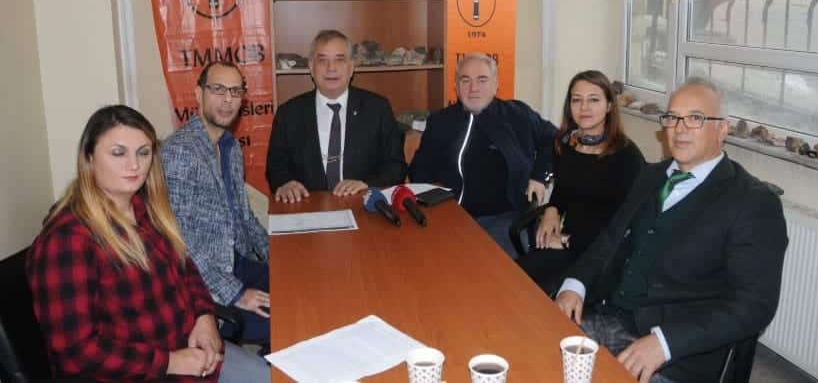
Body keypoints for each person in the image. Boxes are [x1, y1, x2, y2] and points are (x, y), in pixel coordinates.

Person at [555, 77, 788, 383]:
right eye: (673, 117)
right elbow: (610, 239)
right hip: (607, 316)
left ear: (722, 129)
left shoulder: (754, 203)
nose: (680, 128)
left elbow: (753, 305)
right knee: (531, 347)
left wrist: (665, 343)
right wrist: (574, 285)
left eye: (695, 118)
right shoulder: (651, 175)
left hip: (675, 355)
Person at [27, 105, 269, 382]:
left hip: (192, 351)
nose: (134, 165)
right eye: (118, 153)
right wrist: (170, 362)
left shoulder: (148, 212)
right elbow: (75, 353)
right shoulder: (66, 240)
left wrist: (205, 319)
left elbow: (188, 271)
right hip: (141, 371)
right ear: (89, 157)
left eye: (143, 152)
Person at [162, 61, 271, 348]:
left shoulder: (230, 146)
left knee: (301, 284)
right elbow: (178, 242)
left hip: (237, 261)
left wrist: (276, 253)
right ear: (199, 94)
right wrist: (237, 294)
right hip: (205, 284)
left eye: (235, 91)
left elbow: (244, 216)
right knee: (288, 318)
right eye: (218, 89)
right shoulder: (180, 152)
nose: (227, 100)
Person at [408, 53, 557, 258]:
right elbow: (419, 171)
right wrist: (435, 198)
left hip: (506, 218)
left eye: (482, 80)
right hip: (451, 215)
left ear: (496, 84)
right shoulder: (440, 122)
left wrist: (539, 176)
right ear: (456, 85)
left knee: (489, 269)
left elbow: (555, 139)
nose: (473, 88)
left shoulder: (518, 115)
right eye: (465, 80)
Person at [517, 70, 645, 294]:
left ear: (609, 105)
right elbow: (564, 190)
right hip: (567, 245)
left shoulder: (626, 156)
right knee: (508, 278)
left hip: (601, 257)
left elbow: (624, 227)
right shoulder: (568, 143)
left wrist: (568, 241)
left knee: (531, 297)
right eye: (577, 100)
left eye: (593, 100)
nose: (584, 107)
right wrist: (552, 210)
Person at [266, 29, 407, 202]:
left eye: (339, 60)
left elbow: (396, 167)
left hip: (361, 204)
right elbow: (275, 167)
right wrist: (286, 183)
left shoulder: (377, 108)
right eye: (322, 60)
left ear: (351, 67)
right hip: (307, 205)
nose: (331, 68)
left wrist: (366, 184)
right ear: (311, 67)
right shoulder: (289, 113)